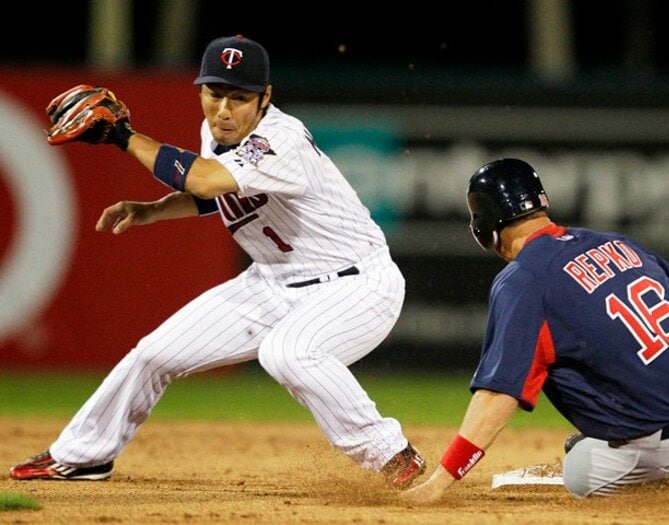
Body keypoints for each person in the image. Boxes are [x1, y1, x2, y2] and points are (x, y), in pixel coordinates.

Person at [9, 34, 425, 489]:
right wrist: (153, 210)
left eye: (240, 97)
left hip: (356, 284)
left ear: (265, 97)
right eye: (215, 93)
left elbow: (207, 181)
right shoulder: (215, 133)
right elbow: (217, 195)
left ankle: (393, 455)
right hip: (273, 282)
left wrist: (123, 136)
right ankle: (83, 457)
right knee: (153, 355)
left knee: (289, 353)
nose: (224, 109)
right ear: (200, 90)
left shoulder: (279, 139)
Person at [400, 158, 669, 502]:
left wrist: (439, 483)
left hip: (667, 450)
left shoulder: (524, 280)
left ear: (484, 227)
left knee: (579, 466)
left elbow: (499, 393)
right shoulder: (618, 244)